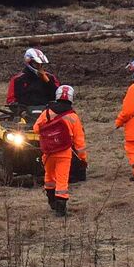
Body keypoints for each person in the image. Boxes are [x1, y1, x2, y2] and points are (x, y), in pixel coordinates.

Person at [36, 83, 88, 217]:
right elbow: (79, 141)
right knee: (62, 178)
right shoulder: (73, 117)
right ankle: (61, 208)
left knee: (49, 176)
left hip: (48, 151)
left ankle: (51, 200)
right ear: (71, 98)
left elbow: (36, 128)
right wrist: (82, 158)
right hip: (64, 152)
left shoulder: (47, 112)